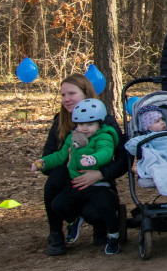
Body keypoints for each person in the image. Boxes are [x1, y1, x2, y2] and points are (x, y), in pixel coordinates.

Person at [38, 74, 127, 255]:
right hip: (71, 181)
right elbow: (47, 158)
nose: (66, 99)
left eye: (72, 93)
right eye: (63, 95)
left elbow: (124, 160)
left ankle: (103, 227)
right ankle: (56, 234)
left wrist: (100, 174)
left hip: (99, 181)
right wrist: (63, 163)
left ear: (86, 94)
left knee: (94, 212)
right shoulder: (61, 121)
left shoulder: (105, 122)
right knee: (54, 178)